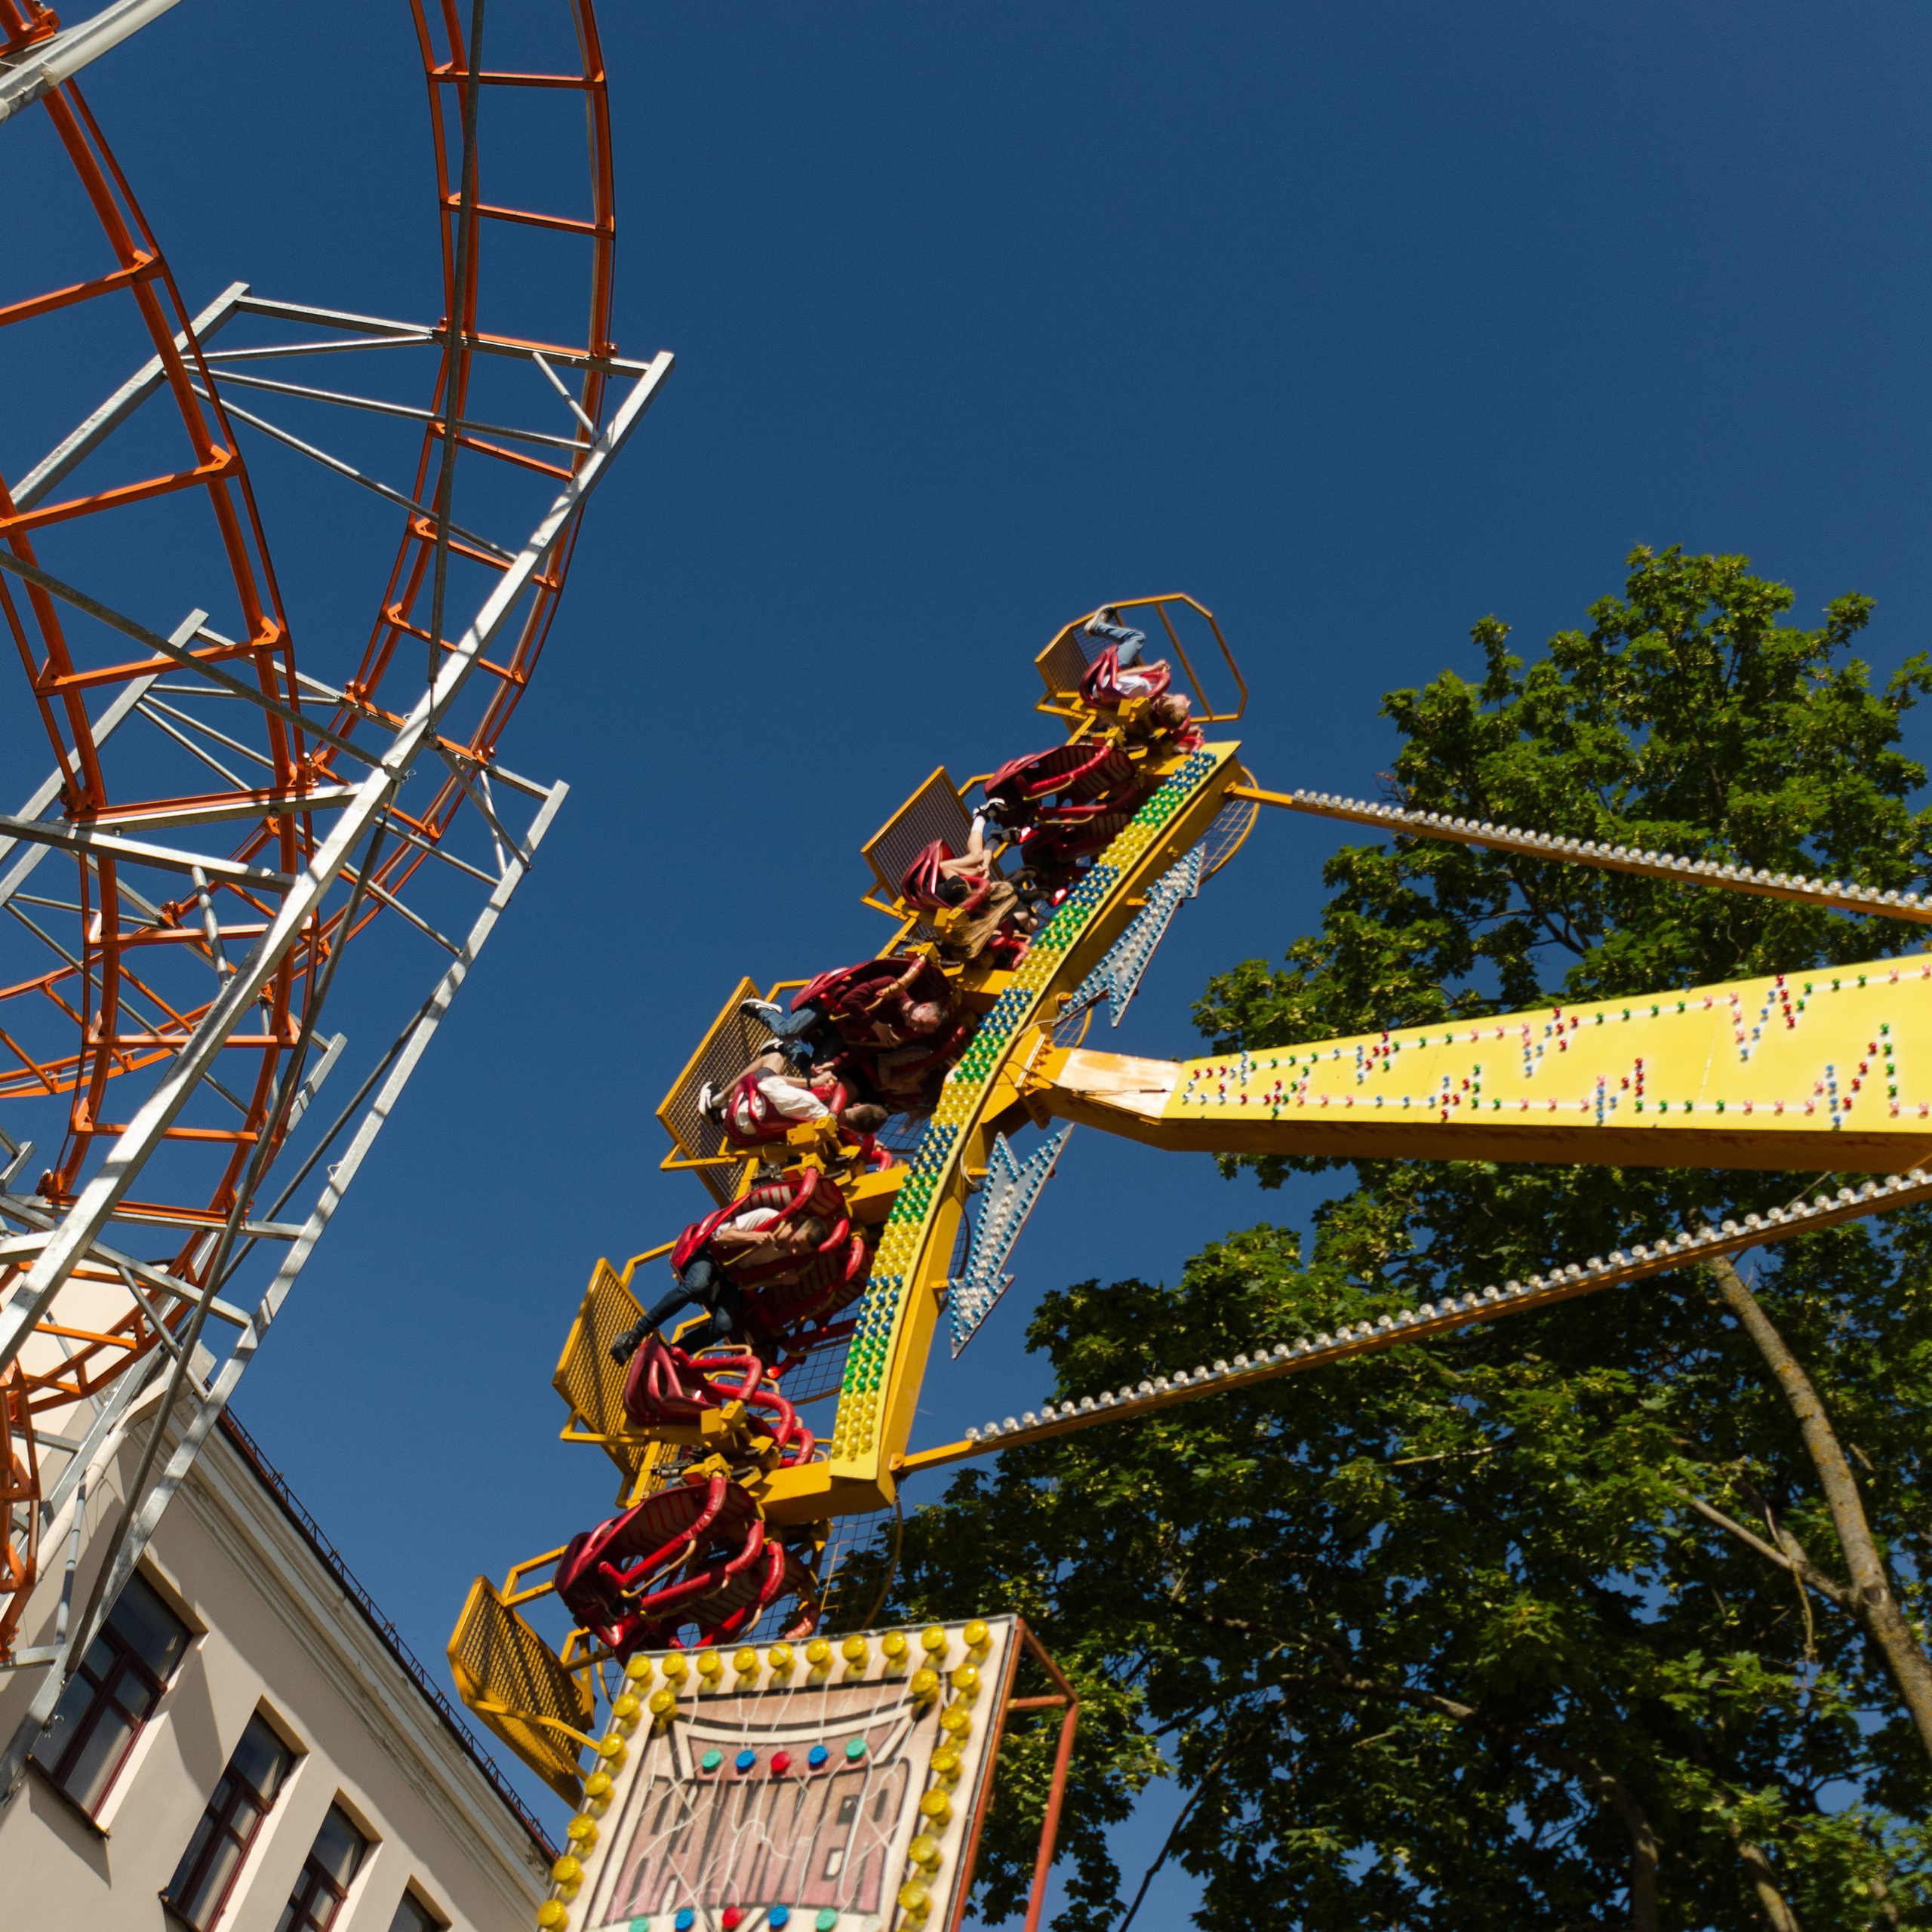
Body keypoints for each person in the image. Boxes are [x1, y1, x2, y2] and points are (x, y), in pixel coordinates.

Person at [609, 1206, 832, 1364]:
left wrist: (779, 1279)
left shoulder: (783, 1254)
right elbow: (723, 1238)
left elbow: (751, 1280)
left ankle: (670, 1355)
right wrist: (753, 1238)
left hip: (730, 1277)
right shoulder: (768, 1217)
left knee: (724, 1326)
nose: (794, 1251)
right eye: (797, 1244)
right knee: (695, 1286)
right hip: (711, 1255)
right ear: (794, 1226)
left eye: (801, 1251)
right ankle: (637, 1333)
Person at [740, 955, 954, 1069]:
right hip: (831, 1006)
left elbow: (864, 1049)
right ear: (924, 1006)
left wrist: (835, 1063)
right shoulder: (891, 985)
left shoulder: (898, 1028)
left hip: (841, 1033)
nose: (918, 1027)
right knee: (788, 1031)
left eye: (923, 1030)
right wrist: (875, 1025)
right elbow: (850, 999)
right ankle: (765, 1011)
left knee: (814, 1074)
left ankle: (786, 1049)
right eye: (924, 1023)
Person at [699, 1051, 888, 1149]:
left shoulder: (811, 1106)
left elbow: (768, 1082)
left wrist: (811, 1082)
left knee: (773, 1059)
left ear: (857, 1104)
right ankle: (722, 1110)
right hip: (758, 1137)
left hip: (743, 1119)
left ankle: (716, 1102)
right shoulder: (834, 1137)